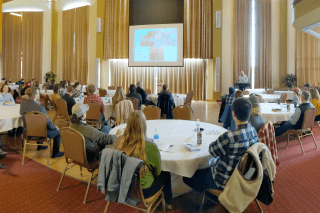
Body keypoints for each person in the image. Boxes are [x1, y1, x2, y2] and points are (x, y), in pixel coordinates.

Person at [183, 98, 258, 193]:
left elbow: (212, 150)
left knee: (187, 177)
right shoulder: (254, 131)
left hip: (223, 181)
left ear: (233, 114)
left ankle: (211, 195)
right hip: (243, 177)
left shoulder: (229, 136)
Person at [114, 111, 173, 209]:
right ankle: (167, 204)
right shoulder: (150, 146)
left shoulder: (119, 141)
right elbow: (157, 172)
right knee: (166, 173)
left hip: (123, 186)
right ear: (144, 126)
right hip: (144, 191)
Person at [20, 87, 64, 158]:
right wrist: (55, 127)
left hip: (27, 132)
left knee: (36, 123)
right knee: (58, 133)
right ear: (35, 95)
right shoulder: (40, 108)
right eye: (38, 93)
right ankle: (55, 153)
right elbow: (48, 123)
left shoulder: (23, 104)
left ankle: (39, 146)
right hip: (40, 134)